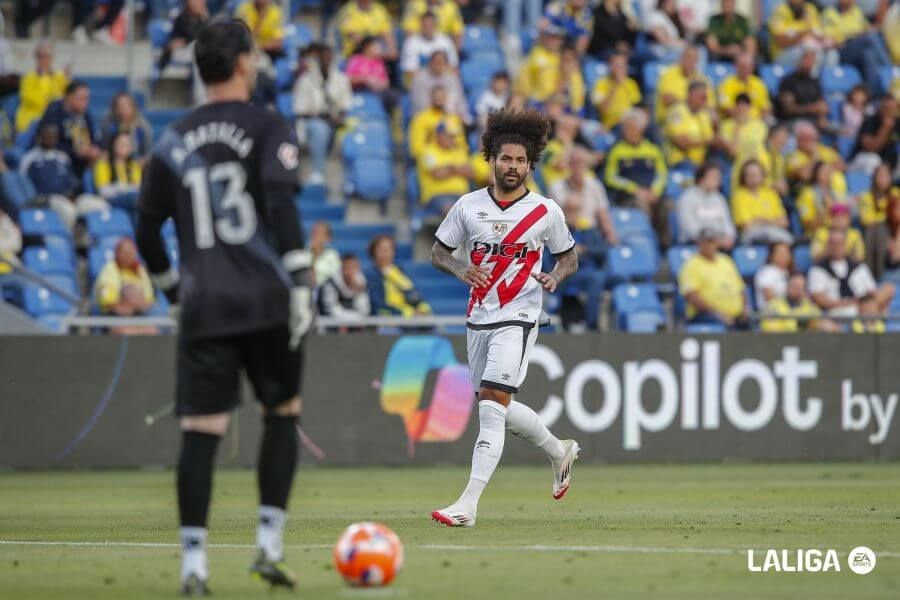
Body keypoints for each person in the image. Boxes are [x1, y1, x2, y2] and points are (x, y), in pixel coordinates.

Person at [134, 19, 315, 594]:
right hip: (267, 299)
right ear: (241, 62)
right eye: (255, 53)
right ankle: (267, 546)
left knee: (201, 431)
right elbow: (282, 205)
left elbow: (145, 228)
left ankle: (193, 565)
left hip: (205, 305)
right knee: (282, 412)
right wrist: (302, 279)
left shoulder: (171, 138)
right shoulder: (267, 126)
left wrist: (169, 291)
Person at [430, 108, 580, 527]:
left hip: (520, 315)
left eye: (520, 160)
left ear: (531, 164)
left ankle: (468, 505)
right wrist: (462, 270)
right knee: (494, 403)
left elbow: (569, 256)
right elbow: (439, 252)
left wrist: (555, 275)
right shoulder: (467, 206)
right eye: (505, 159)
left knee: (492, 406)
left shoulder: (545, 211)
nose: (512, 166)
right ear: (490, 160)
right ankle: (557, 450)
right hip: (479, 317)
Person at [292, 42, 352, 185]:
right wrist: (324, 118)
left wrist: (338, 118)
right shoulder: (305, 80)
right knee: (319, 128)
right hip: (311, 124)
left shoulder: (342, 79)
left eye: (329, 58)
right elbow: (300, 111)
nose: (326, 61)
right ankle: (317, 173)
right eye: (323, 58)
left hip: (335, 124)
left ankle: (350, 180)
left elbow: (345, 106)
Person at [808, 227, 895, 317]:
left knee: (889, 288)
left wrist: (863, 301)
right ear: (827, 245)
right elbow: (819, 298)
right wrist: (847, 303)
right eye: (833, 244)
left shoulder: (859, 266)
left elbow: (872, 291)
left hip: (863, 306)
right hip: (837, 312)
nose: (837, 247)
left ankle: (870, 316)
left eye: (840, 243)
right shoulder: (817, 269)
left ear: (845, 245)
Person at [604, 109, 668, 225]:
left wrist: (655, 191)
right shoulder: (616, 151)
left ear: (641, 129)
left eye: (631, 127)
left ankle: (666, 242)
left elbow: (662, 174)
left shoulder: (653, 150)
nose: (628, 131)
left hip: (652, 192)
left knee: (668, 205)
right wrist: (634, 189)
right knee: (641, 205)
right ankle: (647, 239)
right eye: (626, 128)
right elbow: (610, 177)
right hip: (628, 196)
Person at [678, 228, 748, 328]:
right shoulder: (691, 265)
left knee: (751, 324)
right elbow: (692, 296)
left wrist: (745, 309)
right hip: (705, 315)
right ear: (699, 244)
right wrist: (718, 313)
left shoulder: (726, 260)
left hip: (735, 315)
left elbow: (741, 288)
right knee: (722, 325)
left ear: (717, 243)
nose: (709, 245)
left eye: (712, 241)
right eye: (706, 242)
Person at [550, 146, 619, 244]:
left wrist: (610, 234)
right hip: (567, 233)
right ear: (568, 165)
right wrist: (576, 187)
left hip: (591, 233)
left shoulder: (595, 185)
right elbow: (562, 215)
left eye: (582, 162)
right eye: (574, 162)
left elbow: (603, 213)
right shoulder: (556, 186)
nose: (578, 166)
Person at [823, 0, 893, 95]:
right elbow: (829, 39)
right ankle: (890, 69)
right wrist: (853, 36)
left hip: (859, 47)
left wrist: (866, 32)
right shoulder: (830, 13)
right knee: (870, 37)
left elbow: (866, 28)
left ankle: (874, 94)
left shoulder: (857, 12)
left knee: (868, 56)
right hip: (842, 50)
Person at [36, 80, 101, 178]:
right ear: (69, 97)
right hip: (60, 161)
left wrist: (94, 149)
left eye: (87, 98)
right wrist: (75, 152)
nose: (86, 102)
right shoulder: (54, 112)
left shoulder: (85, 114)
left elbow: (94, 137)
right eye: (82, 98)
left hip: (83, 160)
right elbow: (49, 143)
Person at [367, 234, 432, 317]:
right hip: (390, 320)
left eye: (389, 248)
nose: (386, 252)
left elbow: (414, 295)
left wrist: (423, 310)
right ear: (373, 251)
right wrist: (408, 314)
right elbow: (377, 305)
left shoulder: (401, 272)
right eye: (382, 249)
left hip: (411, 318)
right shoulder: (370, 275)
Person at [731, 159, 793, 244]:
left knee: (789, 240)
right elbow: (746, 226)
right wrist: (771, 221)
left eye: (756, 174)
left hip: (774, 232)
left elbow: (784, 222)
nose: (753, 177)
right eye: (749, 174)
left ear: (762, 175)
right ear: (743, 177)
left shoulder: (771, 194)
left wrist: (763, 221)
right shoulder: (739, 196)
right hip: (751, 235)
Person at [418, 120, 473, 214]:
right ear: (440, 135)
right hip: (438, 196)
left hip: (462, 195)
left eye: (454, 136)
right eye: (450, 136)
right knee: (453, 210)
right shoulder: (428, 152)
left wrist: (449, 169)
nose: (453, 139)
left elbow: (471, 173)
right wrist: (456, 168)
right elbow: (437, 174)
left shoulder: (458, 150)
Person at [677, 162, 735, 248]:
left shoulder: (719, 198)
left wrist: (729, 237)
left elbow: (728, 225)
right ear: (701, 178)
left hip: (719, 243)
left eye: (718, 178)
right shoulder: (687, 198)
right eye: (713, 177)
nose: (717, 181)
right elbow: (689, 228)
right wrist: (712, 240)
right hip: (695, 243)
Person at [15, 41, 69, 134]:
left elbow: (67, 100)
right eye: (41, 56)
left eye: (48, 56)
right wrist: (44, 78)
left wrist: (67, 79)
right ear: (36, 58)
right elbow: (38, 102)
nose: (45, 60)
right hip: (32, 121)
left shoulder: (59, 77)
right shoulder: (28, 78)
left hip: (55, 121)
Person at [655, 45, 715, 126]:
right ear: (681, 58)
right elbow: (667, 99)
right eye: (687, 57)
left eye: (693, 59)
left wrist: (680, 100)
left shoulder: (703, 80)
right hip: (672, 119)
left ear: (697, 61)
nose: (689, 61)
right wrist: (692, 103)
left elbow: (710, 106)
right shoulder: (668, 74)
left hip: (696, 121)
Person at [94, 237, 156, 316]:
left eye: (132, 253)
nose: (130, 256)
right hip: (115, 316)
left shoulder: (140, 270)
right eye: (126, 253)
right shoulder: (110, 269)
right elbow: (108, 303)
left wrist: (139, 307)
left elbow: (149, 299)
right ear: (117, 254)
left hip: (140, 313)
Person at [769, 0, 837, 71]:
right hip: (784, 53)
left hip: (809, 47)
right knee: (807, 55)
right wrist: (803, 35)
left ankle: (826, 80)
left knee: (832, 55)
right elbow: (780, 41)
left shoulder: (810, 8)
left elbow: (817, 33)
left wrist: (824, 40)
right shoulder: (780, 10)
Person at [860, 163, 900, 278]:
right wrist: (887, 217)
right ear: (874, 178)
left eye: (886, 176)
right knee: (878, 229)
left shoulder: (896, 193)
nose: (883, 179)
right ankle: (876, 273)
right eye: (880, 175)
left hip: (896, 229)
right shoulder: (866, 196)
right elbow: (866, 220)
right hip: (878, 233)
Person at [776, 47, 830, 130]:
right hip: (793, 121)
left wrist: (822, 117)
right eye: (807, 60)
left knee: (844, 132)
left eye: (812, 61)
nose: (809, 64)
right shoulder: (788, 81)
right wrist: (812, 108)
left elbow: (821, 104)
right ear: (800, 60)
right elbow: (789, 110)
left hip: (814, 120)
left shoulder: (814, 81)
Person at [664, 81, 714, 168]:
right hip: (680, 161)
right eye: (702, 97)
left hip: (701, 162)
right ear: (691, 95)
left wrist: (716, 123)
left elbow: (711, 139)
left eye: (706, 97)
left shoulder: (704, 115)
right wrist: (707, 142)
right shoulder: (677, 111)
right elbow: (681, 142)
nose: (705, 100)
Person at [410, 50, 469, 123]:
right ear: (430, 63)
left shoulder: (452, 78)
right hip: (425, 119)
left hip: (450, 118)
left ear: (446, 64)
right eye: (436, 62)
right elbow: (421, 105)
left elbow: (459, 101)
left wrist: (462, 116)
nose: (438, 65)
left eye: (441, 62)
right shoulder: (420, 79)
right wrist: (438, 116)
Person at [409, 86, 466, 160]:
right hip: (432, 159)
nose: (439, 99)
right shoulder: (421, 119)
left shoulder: (453, 118)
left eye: (441, 97)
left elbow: (461, 144)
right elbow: (417, 148)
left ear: (446, 98)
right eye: (436, 97)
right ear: (431, 98)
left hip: (453, 159)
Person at [400, 11, 458, 85]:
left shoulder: (445, 41)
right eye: (425, 25)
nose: (428, 27)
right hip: (419, 85)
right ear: (420, 25)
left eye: (431, 24)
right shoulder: (410, 43)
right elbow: (410, 72)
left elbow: (453, 68)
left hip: (443, 86)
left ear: (436, 25)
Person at [787, 121, 846, 191]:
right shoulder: (794, 155)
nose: (812, 142)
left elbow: (842, 165)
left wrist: (825, 170)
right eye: (807, 138)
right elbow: (804, 176)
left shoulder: (823, 149)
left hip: (829, 190)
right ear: (798, 140)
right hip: (806, 191)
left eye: (813, 138)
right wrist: (814, 157)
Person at [761, 273, 831, 332]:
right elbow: (771, 331)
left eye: (800, 287)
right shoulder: (773, 305)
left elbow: (822, 323)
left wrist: (820, 325)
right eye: (794, 285)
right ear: (787, 286)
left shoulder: (809, 306)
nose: (797, 289)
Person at [515, 25, 565, 106]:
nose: (554, 41)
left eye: (557, 39)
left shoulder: (563, 57)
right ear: (545, 38)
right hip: (537, 101)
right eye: (552, 38)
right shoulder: (536, 53)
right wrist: (527, 95)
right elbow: (524, 76)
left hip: (556, 101)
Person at [93, 131, 143, 214]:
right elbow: (103, 190)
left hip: (131, 199)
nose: (124, 146)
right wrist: (122, 188)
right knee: (137, 199)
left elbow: (138, 187)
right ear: (113, 145)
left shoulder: (134, 165)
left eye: (127, 144)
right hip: (111, 200)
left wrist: (123, 188)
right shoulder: (104, 163)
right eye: (121, 143)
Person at [590, 52, 642, 132]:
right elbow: (602, 110)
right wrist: (615, 86)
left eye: (622, 66)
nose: (620, 69)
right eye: (617, 65)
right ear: (610, 66)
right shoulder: (600, 84)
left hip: (629, 123)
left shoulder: (631, 83)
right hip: (611, 125)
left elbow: (637, 106)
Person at [797, 161, 849, 236]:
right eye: (824, 172)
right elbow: (808, 224)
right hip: (817, 234)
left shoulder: (835, 193)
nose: (828, 174)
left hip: (838, 232)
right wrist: (827, 210)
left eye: (830, 172)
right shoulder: (807, 194)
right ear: (816, 174)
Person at [157, 0, 209, 74]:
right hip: (181, 52)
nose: (198, 3)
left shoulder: (204, 19)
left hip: (197, 52)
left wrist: (204, 17)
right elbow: (174, 40)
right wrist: (178, 42)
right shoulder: (181, 18)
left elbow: (205, 37)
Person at [100, 92, 154, 161]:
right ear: (114, 109)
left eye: (127, 106)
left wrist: (141, 161)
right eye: (119, 107)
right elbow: (104, 146)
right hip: (113, 161)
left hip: (135, 161)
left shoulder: (143, 127)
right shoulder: (108, 122)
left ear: (133, 108)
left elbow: (148, 153)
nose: (123, 110)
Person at [717, 52, 771, 120]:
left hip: (756, 122)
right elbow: (726, 108)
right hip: (733, 121)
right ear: (735, 66)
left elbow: (766, 108)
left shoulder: (759, 83)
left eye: (747, 66)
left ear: (752, 67)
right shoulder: (726, 83)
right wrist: (745, 120)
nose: (744, 69)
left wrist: (757, 122)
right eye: (742, 66)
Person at [318, 253, 370, 322]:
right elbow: (330, 310)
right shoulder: (330, 284)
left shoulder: (361, 282)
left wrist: (358, 291)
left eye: (355, 267)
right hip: (328, 324)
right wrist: (355, 319)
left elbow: (364, 311)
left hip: (355, 324)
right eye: (348, 267)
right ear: (342, 268)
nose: (352, 271)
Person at [854, 96, 900, 174]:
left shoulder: (897, 122)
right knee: (873, 160)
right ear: (880, 108)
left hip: (888, 163)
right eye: (887, 108)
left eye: (892, 109)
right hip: (865, 159)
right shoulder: (870, 121)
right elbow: (871, 148)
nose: (890, 111)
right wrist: (885, 128)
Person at [716, 94, 767, 163]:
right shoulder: (725, 125)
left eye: (745, 106)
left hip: (758, 163)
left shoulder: (759, 125)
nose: (742, 109)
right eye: (739, 106)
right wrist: (738, 126)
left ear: (750, 107)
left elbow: (754, 147)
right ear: (735, 107)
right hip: (738, 165)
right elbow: (733, 152)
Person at [646, 0, 690, 64]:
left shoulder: (672, 19)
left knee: (697, 51)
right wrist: (681, 44)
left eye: (674, 4)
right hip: (661, 51)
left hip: (674, 49)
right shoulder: (656, 16)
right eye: (670, 3)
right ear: (663, 3)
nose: (672, 6)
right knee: (689, 55)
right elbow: (663, 40)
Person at [754, 241, 793, 313]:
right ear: (772, 255)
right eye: (781, 253)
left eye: (786, 253)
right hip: (771, 314)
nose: (784, 256)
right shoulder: (767, 271)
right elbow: (769, 296)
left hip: (790, 311)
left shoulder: (789, 273)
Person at [308, 221, 340, 286]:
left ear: (328, 238)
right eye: (314, 232)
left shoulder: (333, 255)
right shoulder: (303, 253)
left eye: (320, 233)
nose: (316, 236)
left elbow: (336, 279)